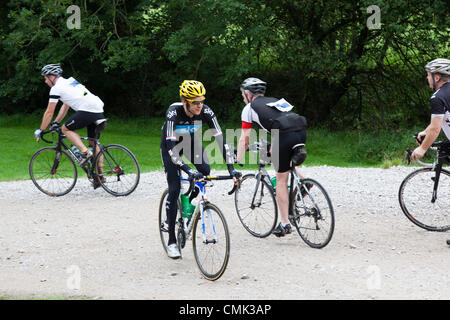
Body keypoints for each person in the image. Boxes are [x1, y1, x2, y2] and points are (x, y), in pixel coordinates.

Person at [160, 80, 241, 259]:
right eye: (195, 101)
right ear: (184, 100)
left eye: (201, 100)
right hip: (171, 147)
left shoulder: (206, 111)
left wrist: (231, 169)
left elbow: (221, 140)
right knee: (174, 189)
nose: (199, 105)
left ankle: (189, 204)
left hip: (189, 143)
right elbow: (171, 148)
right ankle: (172, 240)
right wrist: (187, 169)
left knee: (204, 170)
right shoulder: (174, 112)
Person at [235, 77, 307, 237]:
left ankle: (285, 224)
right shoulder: (274, 100)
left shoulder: (249, 108)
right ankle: (304, 182)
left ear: (248, 94)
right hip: (301, 130)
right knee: (282, 157)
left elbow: (244, 138)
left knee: (281, 180)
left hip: (283, 134)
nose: (242, 97)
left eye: (242, 94)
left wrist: (238, 159)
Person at [34, 64, 105, 168]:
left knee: (65, 129)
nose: (45, 81)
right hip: (98, 108)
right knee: (94, 143)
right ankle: (100, 177)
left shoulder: (56, 88)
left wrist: (41, 130)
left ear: (52, 77)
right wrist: (56, 122)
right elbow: (65, 106)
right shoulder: (70, 81)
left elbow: (49, 112)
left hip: (87, 109)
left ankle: (85, 153)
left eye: (45, 78)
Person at [411, 58, 450, 161]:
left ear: (436, 77)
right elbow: (441, 119)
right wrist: (426, 131)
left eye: (428, 75)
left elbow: (435, 128)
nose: (427, 77)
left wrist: (422, 148)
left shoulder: (438, 97)